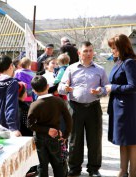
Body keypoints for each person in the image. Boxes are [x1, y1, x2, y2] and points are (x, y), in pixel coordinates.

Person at [58, 41, 109, 177]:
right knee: (75, 139)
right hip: (75, 108)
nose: (88, 53)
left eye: (90, 51)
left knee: (95, 140)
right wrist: (65, 88)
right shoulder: (71, 69)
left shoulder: (100, 70)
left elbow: (106, 88)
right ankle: (74, 169)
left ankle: (94, 169)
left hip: (93, 108)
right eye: (85, 51)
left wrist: (100, 90)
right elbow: (60, 87)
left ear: (93, 52)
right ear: (79, 53)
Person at [27, 75, 72, 177]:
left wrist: (46, 130)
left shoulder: (34, 105)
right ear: (47, 86)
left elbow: (30, 125)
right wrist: (65, 136)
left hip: (40, 138)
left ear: (33, 90)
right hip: (56, 137)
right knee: (58, 164)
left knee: (42, 166)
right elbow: (69, 119)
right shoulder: (59, 101)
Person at [105, 34, 136, 177]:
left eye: (114, 47)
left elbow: (133, 86)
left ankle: (133, 173)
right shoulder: (120, 62)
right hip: (119, 107)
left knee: (131, 142)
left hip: (127, 108)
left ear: (122, 47)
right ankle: (123, 171)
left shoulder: (129, 62)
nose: (112, 50)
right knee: (123, 141)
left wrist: (113, 88)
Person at [0, 55, 21, 137]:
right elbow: (10, 104)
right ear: (11, 66)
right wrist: (13, 127)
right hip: (9, 127)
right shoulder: (12, 83)